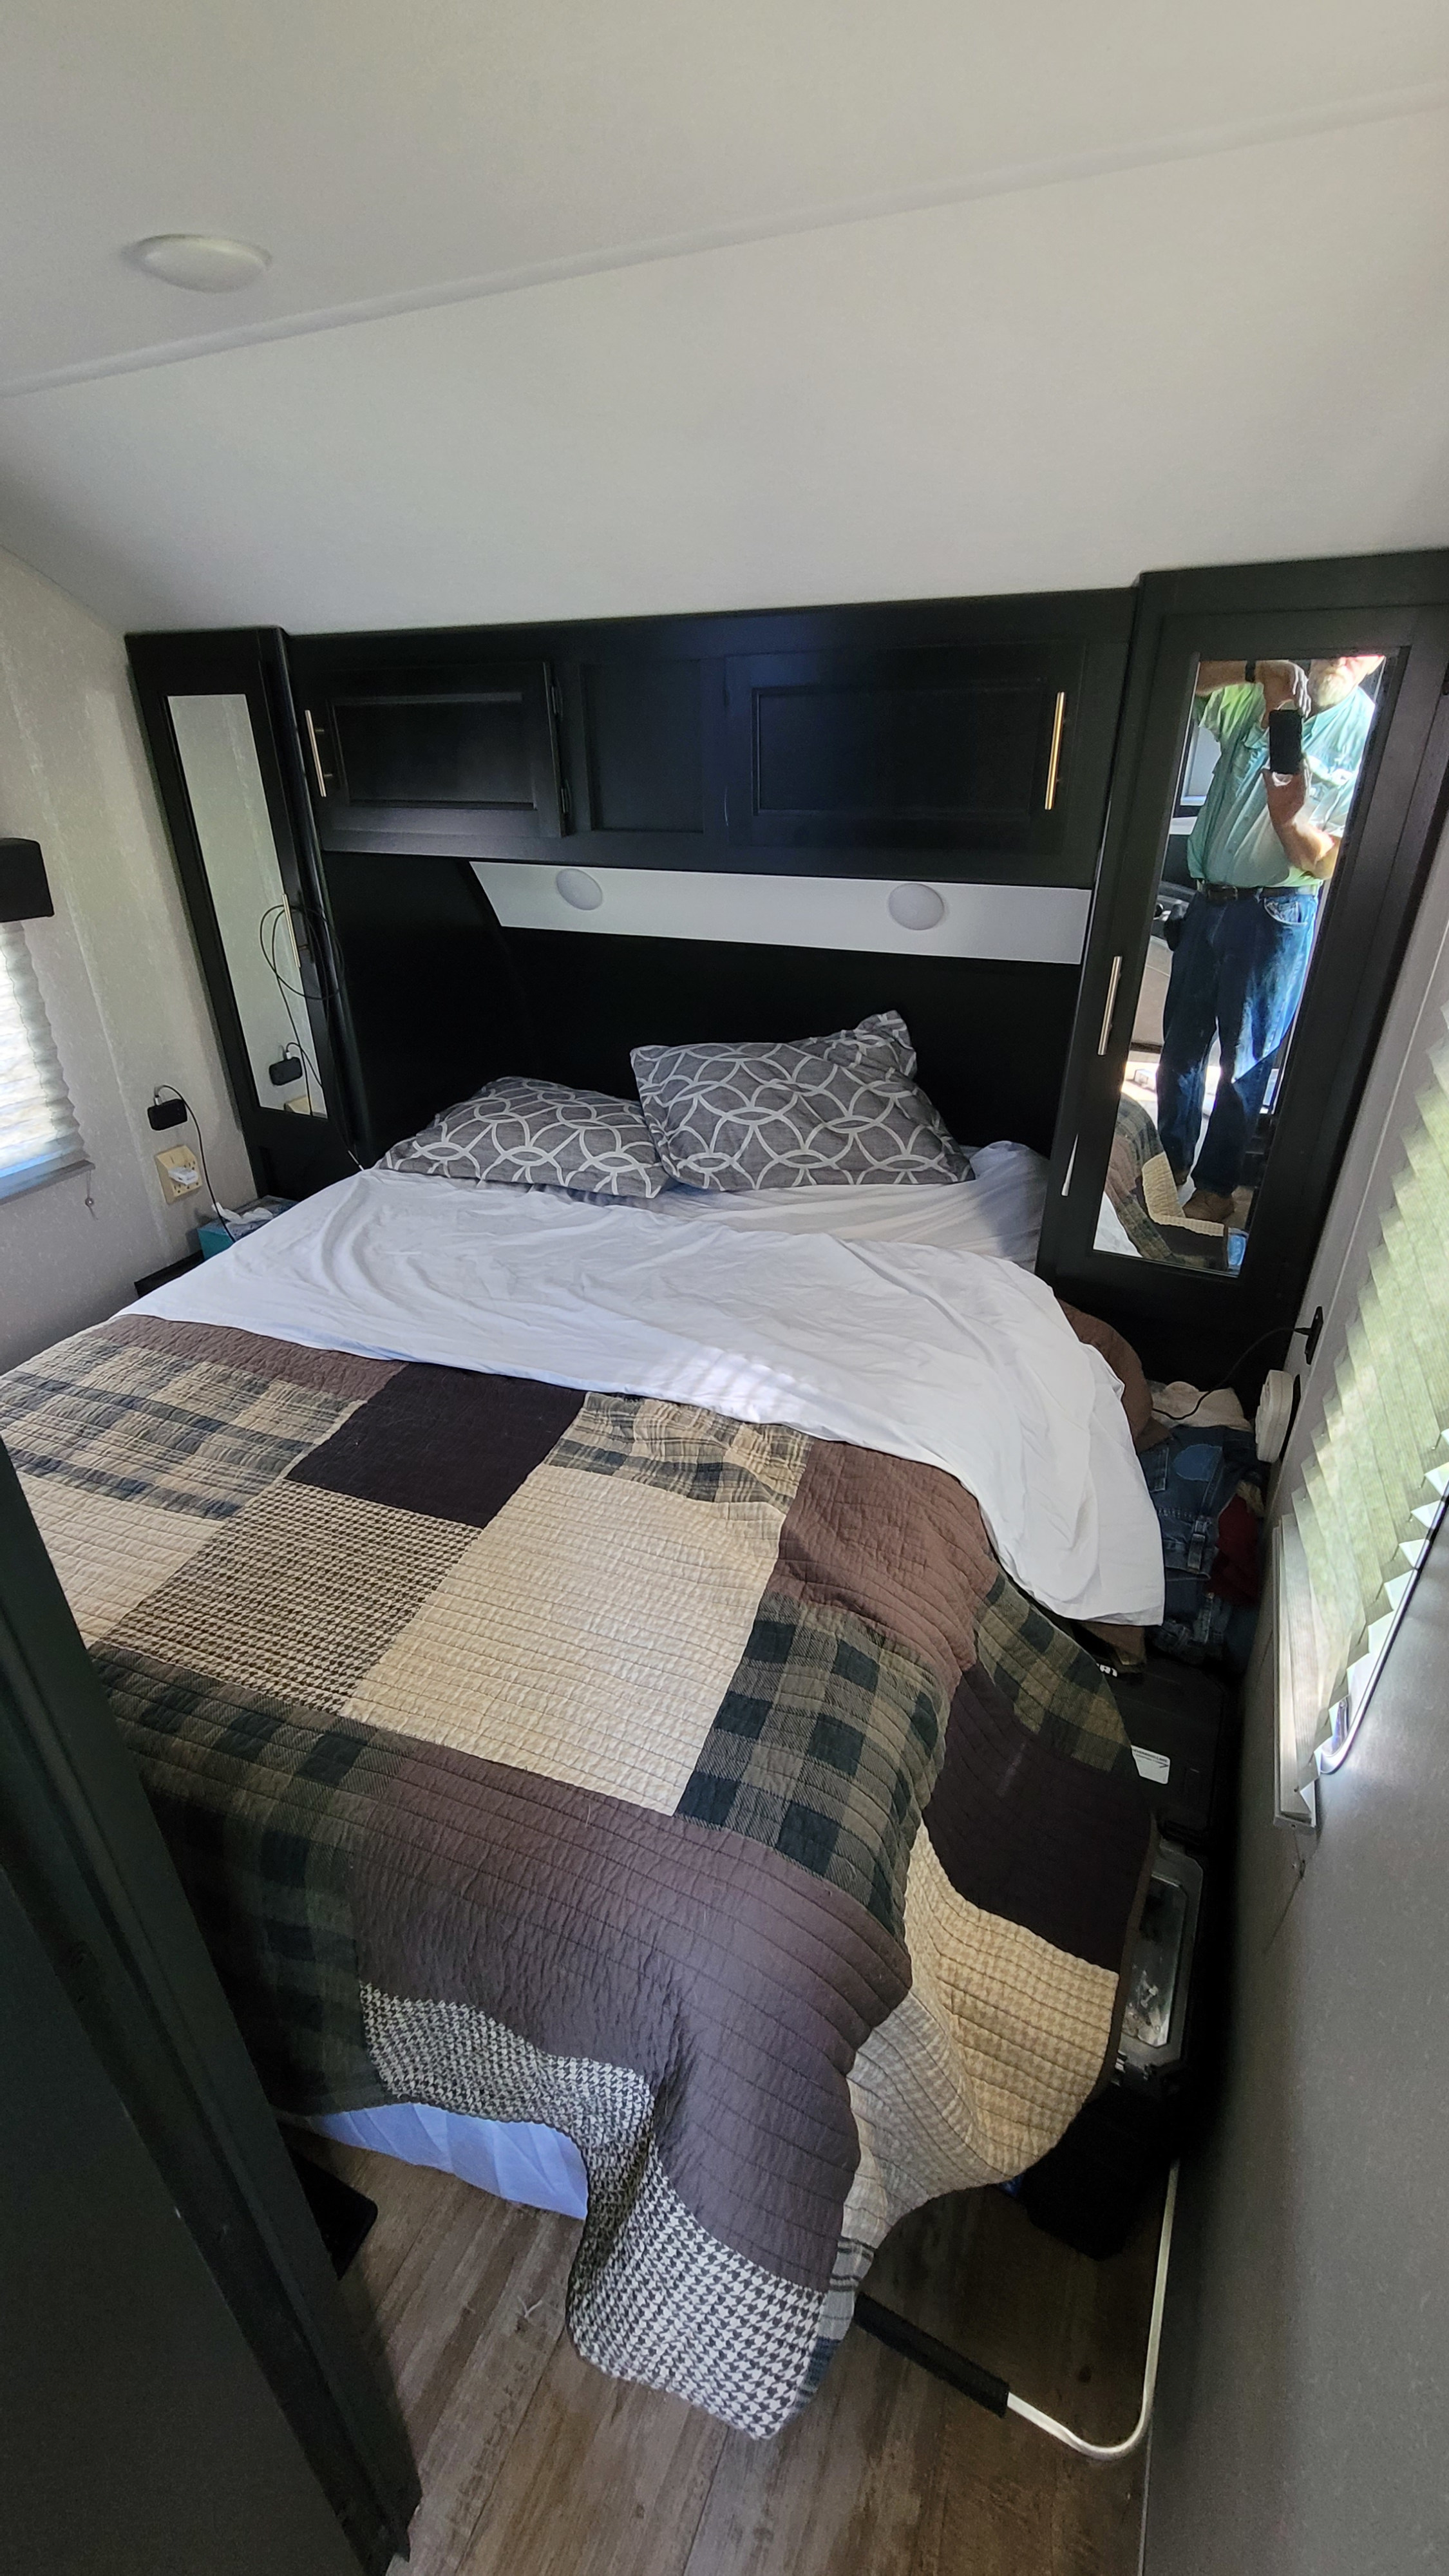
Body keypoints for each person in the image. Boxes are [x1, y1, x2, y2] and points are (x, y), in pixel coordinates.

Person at [1156, 653, 1385, 1224]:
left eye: (1366, 647)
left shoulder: (1372, 733)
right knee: (1179, 1050)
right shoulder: (1258, 692)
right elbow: (1183, 675)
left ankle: (1215, 1191)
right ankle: (1163, 1171)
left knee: (1246, 1061)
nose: (1348, 653)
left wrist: (1289, 821)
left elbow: (1328, 862)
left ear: (1379, 658)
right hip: (1208, 901)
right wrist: (1262, 671)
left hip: (1278, 911)